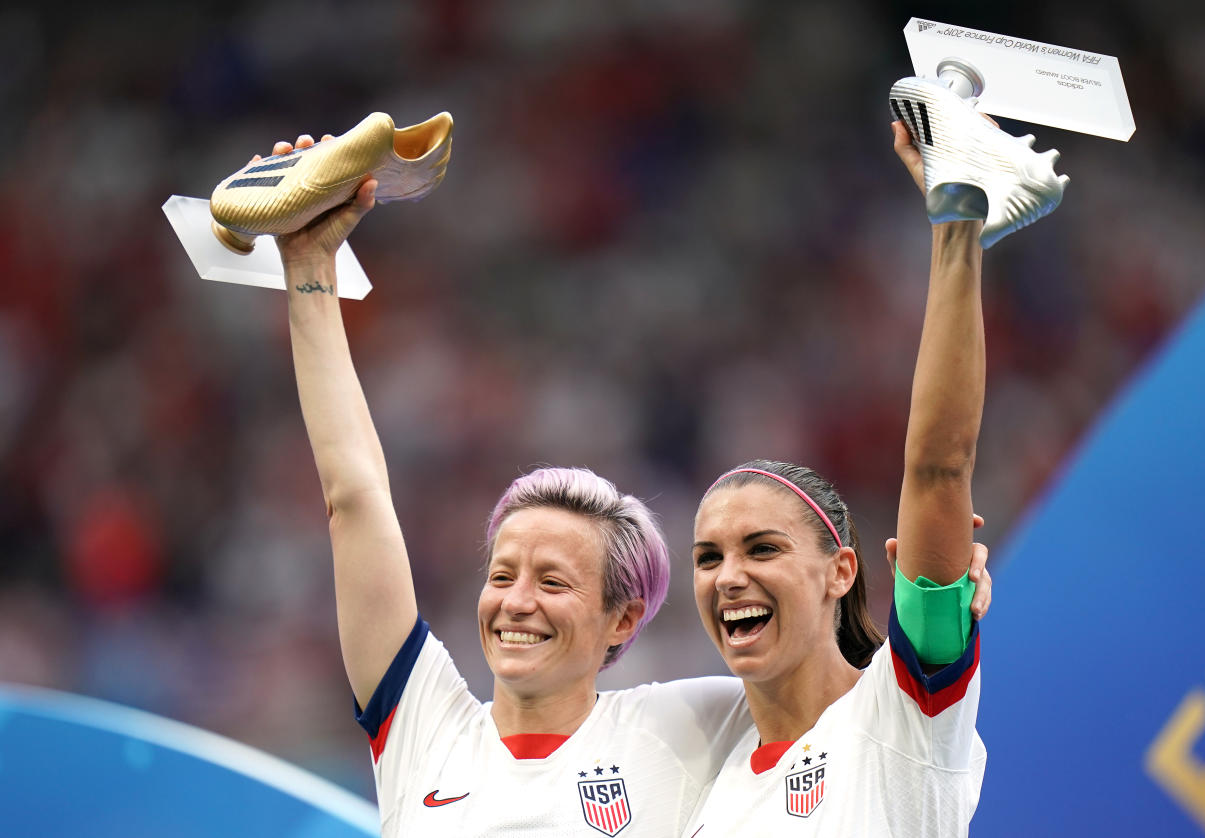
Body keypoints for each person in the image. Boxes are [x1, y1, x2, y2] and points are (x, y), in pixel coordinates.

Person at [262, 107, 998, 834]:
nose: (517, 601)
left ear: (624, 619)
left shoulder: (682, 730)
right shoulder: (426, 731)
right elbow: (354, 498)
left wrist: (938, 595)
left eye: (553, 581)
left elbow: (836, 660)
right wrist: (307, 270)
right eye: (502, 574)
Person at [680, 81, 1065, 836]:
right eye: (707, 557)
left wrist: (957, 221)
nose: (729, 577)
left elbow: (939, 466)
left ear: (843, 571)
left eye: (762, 547)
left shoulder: (906, 710)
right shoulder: (708, 778)